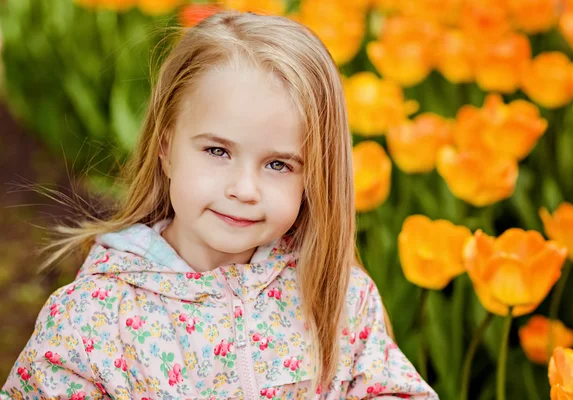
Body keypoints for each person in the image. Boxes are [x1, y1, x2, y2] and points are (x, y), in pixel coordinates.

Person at [1, 10, 438, 400]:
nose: (245, 189)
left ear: (316, 176)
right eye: (217, 152)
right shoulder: (95, 318)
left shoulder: (334, 293)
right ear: (166, 149)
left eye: (279, 164)